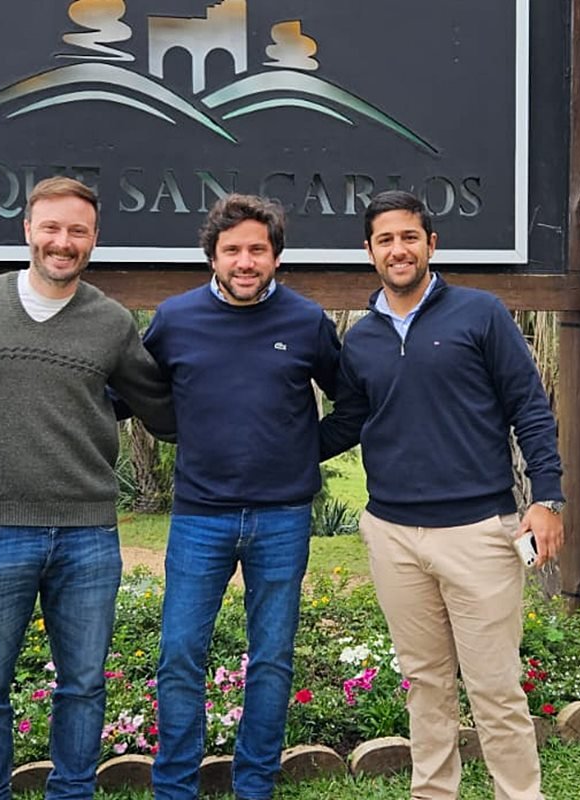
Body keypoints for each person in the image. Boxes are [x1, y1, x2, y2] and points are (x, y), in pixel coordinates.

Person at [320, 190, 565, 800]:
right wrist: (266, 452)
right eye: (385, 240)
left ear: (431, 244)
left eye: (409, 237)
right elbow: (349, 422)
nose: (397, 250)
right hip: (393, 534)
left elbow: (530, 411)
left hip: (479, 531)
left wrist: (548, 499)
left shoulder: (481, 314)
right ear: (369, 251)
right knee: (424, 682)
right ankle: (433, 792)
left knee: (495, 686)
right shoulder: (363, 339)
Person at [0, 176, 175, 800]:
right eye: (51, 228)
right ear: (27, 230)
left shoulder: (111, 322)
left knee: (83, 684)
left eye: (77, 231)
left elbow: (162, 406)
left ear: (94, 240)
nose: (62, 242)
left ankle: (72, 792)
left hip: (88, 535)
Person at [143, 194, 341, 800]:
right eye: (233, 250)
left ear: (276, 256)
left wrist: (303, 450)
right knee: (180, 655)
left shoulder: (307, 322)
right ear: (213, 256)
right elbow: (138, 393)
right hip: (200, 516)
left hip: (282, 517)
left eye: (258, 249)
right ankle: (174, 786)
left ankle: (255, 783)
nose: (245, 260)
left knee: (273, 658)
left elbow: (353, 402)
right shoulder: (175, 319)